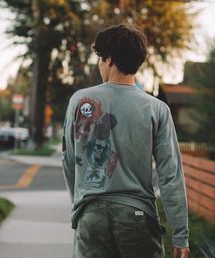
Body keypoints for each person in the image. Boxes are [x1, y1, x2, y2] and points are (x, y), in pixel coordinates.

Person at [62, 24, 189, 258]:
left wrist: (79, 207)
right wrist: (180, 233)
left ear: (109, 59)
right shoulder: (157, 109)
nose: (99, 65)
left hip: (91, 217)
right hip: (138, 219)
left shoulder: (80, 101)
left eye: (100, 59)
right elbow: (170, 175)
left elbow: (70, 161)